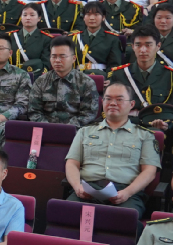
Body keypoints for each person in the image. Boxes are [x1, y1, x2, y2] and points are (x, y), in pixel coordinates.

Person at [66, 82, 160, 216]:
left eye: (119, 99)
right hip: (88, 190)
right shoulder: (84, 132)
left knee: (124, 220)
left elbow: (149, 171)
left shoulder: (145, 135)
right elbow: (72, 163)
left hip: (125, 192)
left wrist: (127, 192)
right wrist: (77, 187)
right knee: (66, 214)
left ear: (132, 104)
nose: (113, 103)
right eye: (108, 99)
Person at [111, 26, 173, 129]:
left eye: (148, 45)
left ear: (158, 46)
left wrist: (166, 124)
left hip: (158, 128)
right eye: (138, 45)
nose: (143, 50)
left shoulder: (171, 76)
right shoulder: (120, 74)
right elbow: (110, 108)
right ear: (132, 47)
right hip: (125, 126)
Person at [28, 36, 100, 125]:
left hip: (76, 130)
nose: (57, 60)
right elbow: (34, 111)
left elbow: (88, 113)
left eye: (62, 56)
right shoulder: (41, 81)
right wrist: (48, 128)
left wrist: (67, 129)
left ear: (73, 58)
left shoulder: (86, 82)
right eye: (54, 56)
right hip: (46, 128)